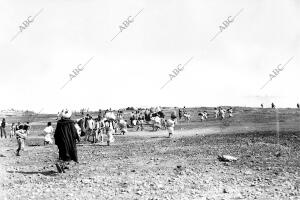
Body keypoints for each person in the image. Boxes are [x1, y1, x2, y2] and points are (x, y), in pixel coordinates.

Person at [54, 109, 80, 173]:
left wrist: (56, 141)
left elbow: (56, 133)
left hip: (61, 141)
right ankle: (60, 164)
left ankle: (63, 165)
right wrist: (77, 138)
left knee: (62, 153)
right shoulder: (71, 123)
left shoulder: (59, 123)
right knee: (70, 153)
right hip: (69, 141)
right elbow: (74, 131)